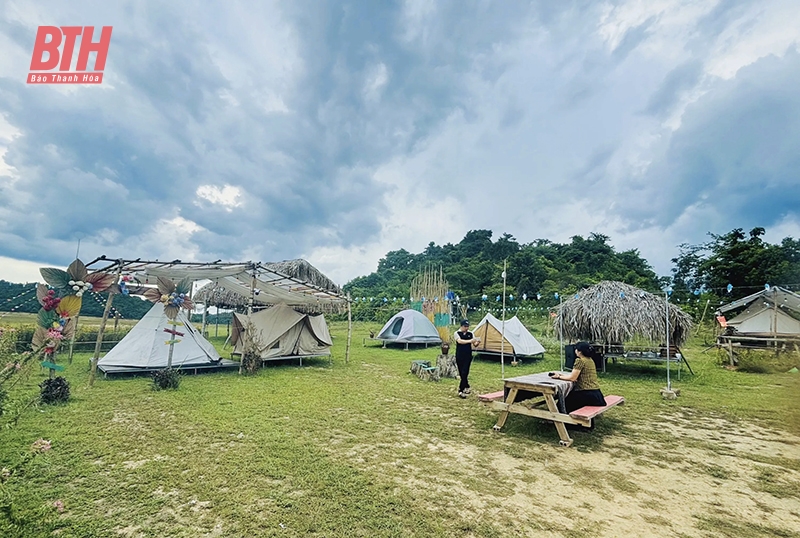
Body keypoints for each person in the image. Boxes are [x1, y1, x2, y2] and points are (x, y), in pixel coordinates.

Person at [551, 341, 605, 413]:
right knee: (569, 396)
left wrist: (558, 377)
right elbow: (575, 375)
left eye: (576, 349)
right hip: (596, 394)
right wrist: (561, 375)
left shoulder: (580, 361)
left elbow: (573, 378)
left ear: (579, 352)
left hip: (586, 393)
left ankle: (558, 418)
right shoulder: (590, 360)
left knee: (564, 400)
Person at [454, 320, 480, 398]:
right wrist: (470, 341)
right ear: (461, 326)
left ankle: (461, 390)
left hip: (468, 355)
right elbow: (460, 341)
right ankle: (467, 386)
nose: (466, 328)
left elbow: (474, 344)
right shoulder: (457, 333)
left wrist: (477, 342)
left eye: (467, 326)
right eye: (465, 326)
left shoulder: (471, 333)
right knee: (462, 372)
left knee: (465, 372)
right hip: (459, 355)